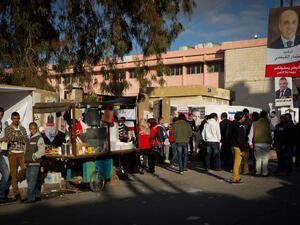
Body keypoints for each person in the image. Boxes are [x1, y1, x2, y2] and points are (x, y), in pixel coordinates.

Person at [5, 112, 28, 200]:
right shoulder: (8, 128)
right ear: (12, 119)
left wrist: (17, 137)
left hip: (22, 152)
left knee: (24, 168)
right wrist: (19, 137)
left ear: (19, 119)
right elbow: (10, 138)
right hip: (12, 153)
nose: (16, 120)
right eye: (14, 118)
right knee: (13, 173)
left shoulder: (22, 128)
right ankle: (16, 192)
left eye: (17, 118)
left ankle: (15, 181)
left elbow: (25, 138)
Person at [23, 122, 45, 203]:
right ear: (29, 129)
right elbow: (25, 150)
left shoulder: (39, 138)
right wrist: (25, 160)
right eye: (31, 128)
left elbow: (42, 151)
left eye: (34, 128)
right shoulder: (28, 138)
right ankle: (36, 195)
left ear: (37, 129)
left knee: (32, 181)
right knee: (30, 180)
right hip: (28, 162)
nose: (33, 130)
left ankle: (30, 198)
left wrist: (34, 156)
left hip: (35, 163)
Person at [248, 111, 272, 176]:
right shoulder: (268, 123)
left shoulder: (254, 123)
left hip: (257, 143)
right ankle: (265, 172)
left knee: (258, 159)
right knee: (265, 158)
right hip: (266, 143)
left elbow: (251, 134)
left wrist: (250, 143)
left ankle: (258, 172)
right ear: (266, 116)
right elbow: (272, 130)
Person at [229, 112, 247, 184]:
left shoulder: (232, 124)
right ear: (240, 117)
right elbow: (240, 139)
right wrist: (243, 149)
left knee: (236, 163)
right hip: (238, 147)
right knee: (237, 164)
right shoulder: (240, 126)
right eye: (244, 117)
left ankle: (237, 177)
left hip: (233, 146)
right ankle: (234, 178)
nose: (244, 118)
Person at [0, 107, 10, 203]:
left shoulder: (2, 125)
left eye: (1, 115)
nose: (0, 117)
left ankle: (1, 194)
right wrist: (2, 139)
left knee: (6, 174)